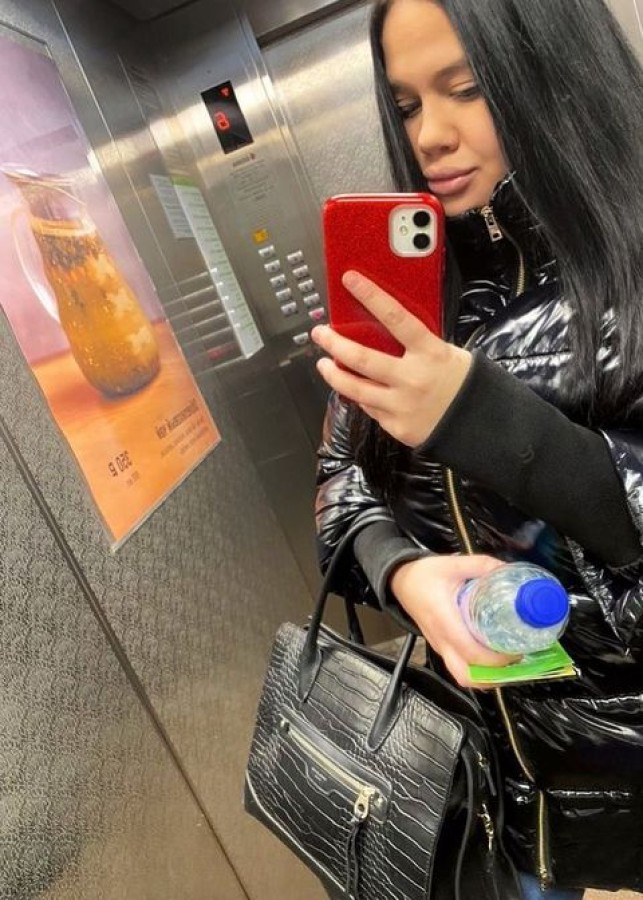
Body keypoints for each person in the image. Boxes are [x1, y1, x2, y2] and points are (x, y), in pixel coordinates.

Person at [311, 0, 643, 897]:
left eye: (466, 89)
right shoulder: (414, 299)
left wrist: (478, 418)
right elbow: (338, 481)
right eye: (406, 104)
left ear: (559, 80)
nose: (430, 135)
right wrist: (404, 576)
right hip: (483, 776)